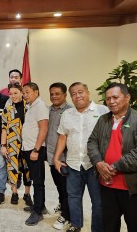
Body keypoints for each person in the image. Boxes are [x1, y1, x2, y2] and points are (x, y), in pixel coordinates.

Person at [87, 82, 137, 232]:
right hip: (106, 185)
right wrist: (98, 163)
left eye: (115, 97)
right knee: (109, 224)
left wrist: (115, 166)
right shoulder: (103, 120)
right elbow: (92, 142)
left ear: (127, 98)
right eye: (108, 99)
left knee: (134, 225)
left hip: (131, 188)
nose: (111, 101)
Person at [54, 82, 109, 232]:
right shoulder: (67, 114)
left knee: (98, 201)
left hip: (95, 165)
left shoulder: (103, 111)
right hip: (73, 164)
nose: (77, 96)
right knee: (73, 198)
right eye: (73, 94)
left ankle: (97, 229)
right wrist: (56, 158)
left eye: (80, 92)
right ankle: (76, 224)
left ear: (88, 92)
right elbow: (62, 138)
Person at [22, 82, 49, 226]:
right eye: (24, 92)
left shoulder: (40, 106)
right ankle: (41, 205)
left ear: (36, 92)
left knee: (38, 182)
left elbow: (43, 129)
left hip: (35, 150)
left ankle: (37, 212)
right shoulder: (31, 106)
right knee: (36, 179)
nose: (25, 95)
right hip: (29, 148)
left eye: (28, 92)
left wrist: (36, 150)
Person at [46, 82, 72, 230]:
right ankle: (62, 205)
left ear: (64, 95)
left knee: (66, 188)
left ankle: (66, 215)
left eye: (57, 94)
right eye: (52, 94)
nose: (54, 96)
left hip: (64, 158)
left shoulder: (70, 111)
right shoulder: (49, 110)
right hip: (51, 157)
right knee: (58, 185)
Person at [1, 83, 32, 205]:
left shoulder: (29, 108)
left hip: (28, 145)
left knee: (28, 171)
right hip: (12, 145)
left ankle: (27, 194)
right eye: (10, 93)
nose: (13, 96)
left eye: (16, 93)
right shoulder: (7, 109)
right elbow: (3, 128)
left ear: (21, 93)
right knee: (12, 169)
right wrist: (3, 146)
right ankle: (14, 193)